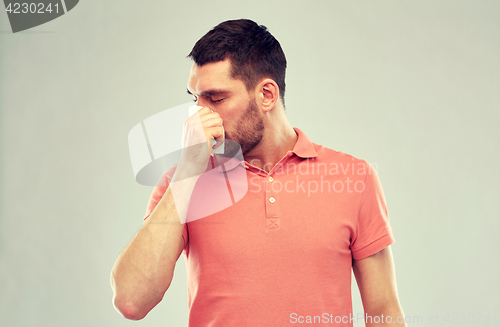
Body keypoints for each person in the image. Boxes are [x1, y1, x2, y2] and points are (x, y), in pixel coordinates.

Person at [111, 19, 406, 326]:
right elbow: (131, 301)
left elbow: (384, 311)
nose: (197, 115)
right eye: (194, 98)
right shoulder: (181, 183)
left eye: (215, 98)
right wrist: (188, 171)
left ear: (266, 95)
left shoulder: (354, 177)